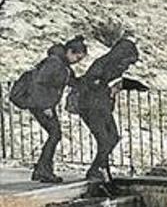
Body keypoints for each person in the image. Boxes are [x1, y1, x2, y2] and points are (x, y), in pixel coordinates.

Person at [17, 36, 88, 183]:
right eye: (77, 57)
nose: (77, 61)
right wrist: (45, 107)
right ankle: (43, 170)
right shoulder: (54, 63)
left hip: (44, 104)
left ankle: (42, 169)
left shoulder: (63, 65)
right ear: (69, 51)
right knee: (55, 134)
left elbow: (73, 82)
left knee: (55, 134)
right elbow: (38, 84)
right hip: (40, 104)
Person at [76, 38, 140, 182]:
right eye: (127, 62)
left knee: (112, 137)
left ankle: (100, 169)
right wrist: (109, 88)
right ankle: (97, 170)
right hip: (91, 107)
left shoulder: (113, 66)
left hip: (102, 107)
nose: (127, 66)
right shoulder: (102, 65)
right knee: (105, 140)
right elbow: (92, 83)